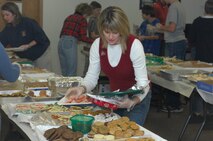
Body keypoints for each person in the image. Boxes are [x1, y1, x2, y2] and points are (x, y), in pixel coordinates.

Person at [65, 6, 151, 126]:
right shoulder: (97, 45)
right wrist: (82, 88)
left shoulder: (134, 45)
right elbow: (91, 77)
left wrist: (132, 101)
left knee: (131, 133)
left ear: (123, 30)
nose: (110, 37)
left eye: (115, 33)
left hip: (138, 97)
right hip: (115, 97)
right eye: (106, 32)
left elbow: (143, 83)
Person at [156, 0, 187, 112]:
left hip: (174, 42)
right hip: (178, 42)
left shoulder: (173, 7)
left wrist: (160, 26)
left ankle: (174, 105)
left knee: (172, 75)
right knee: (176, 74)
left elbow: (171, 28)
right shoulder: (179, 5)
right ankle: (175, 103)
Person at [0, 2, 50, 67]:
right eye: (3, 15)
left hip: (41, 53)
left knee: (45, 74)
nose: (5, 17)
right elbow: (1, 41)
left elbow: (41, 37)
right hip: (27, 57)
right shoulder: (8, 28)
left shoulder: (27, 22)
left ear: (14, 14)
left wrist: (28, 45)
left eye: (7, 15)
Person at [189, 0, 213, 116]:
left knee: (198, 84)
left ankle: (197, 111)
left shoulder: (197, 22)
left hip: (200, 57)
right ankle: (210, 110)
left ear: (205, 9)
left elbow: (191, 40)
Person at [58, 3, 94, 77]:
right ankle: (71, 88)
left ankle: (64, 88)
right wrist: (95, 41)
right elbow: (83, 37)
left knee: (64, 70)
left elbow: (64, 32)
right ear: (86, 13)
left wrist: (76, 38)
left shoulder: (69, 17)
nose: (87, 17)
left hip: (61, 42)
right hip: (70, 42)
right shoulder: (82, 19)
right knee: (71, 70)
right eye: (88, 15)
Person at [83, 1, 102, 76]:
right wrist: (103, 35)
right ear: (92, 10)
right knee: (89, 67)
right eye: (97, 10)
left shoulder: (91, 19)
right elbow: (93, 35)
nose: (99, 12)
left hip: (90, 45)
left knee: (88, 66)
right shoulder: (93, 20)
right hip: (92, 45)